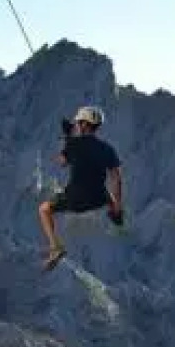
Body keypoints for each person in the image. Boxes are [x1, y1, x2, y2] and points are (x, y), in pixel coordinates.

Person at [38, 105, 124, 270]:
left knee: (43, 209)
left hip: (76, 199)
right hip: (98, 198)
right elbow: (117, 179)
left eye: (79, 122)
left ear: (84, 125)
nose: (77, 125)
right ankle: (116, 214)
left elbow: (62, 162)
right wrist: (117, 207)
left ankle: (56, 247)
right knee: (108, 195)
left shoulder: (74, 144)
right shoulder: (107, 149)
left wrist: (67, 137)